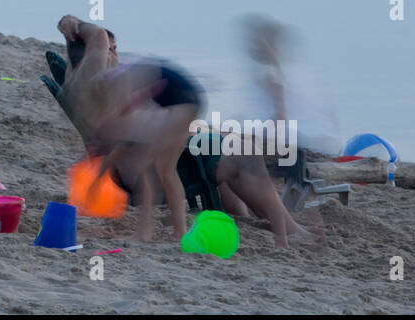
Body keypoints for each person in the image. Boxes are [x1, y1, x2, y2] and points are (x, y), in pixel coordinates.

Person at [57, 15, 318, 247]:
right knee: (244, 153)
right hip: (145, 166)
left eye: (115, 49)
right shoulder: (95, 74)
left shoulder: (81, 82)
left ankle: (242, 219)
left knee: (227, 141)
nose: (113, 55)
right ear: (93, 53)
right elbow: (98, 38)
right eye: (109, 51)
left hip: (140, 154)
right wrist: (76, 24)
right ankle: (289, 230)